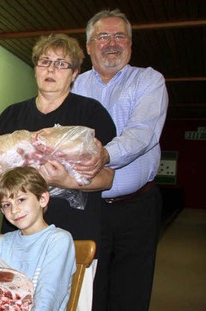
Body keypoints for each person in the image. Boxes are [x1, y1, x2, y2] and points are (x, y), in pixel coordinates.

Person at [0, 33, 116, 310]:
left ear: (74, 73)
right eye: (44, 61)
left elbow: (108, 177)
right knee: (14, 301)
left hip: (76, 233)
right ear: (35, 68)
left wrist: (65, 180)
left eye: (61, 64)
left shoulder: (91, 113)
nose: (50, 69)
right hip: (19, 235)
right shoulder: (12, 115)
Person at [71, 9, 168, 311]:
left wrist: (105, 154)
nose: (112, 43)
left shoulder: (149, 80)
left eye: (120, 36)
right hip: (86, 207)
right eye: (103, 37)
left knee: (131, 294)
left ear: (130, 44)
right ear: (88, 47)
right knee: (87, 290)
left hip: (136, 209)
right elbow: (43, 123)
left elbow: (142, 134)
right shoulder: (74, 85)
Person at [0, 167, 76, 311]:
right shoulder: (3, 243)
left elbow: (48, 298)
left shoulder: (59, 240)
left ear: (42, 199)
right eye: (7, 205)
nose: (14, 210)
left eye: (21, 200)